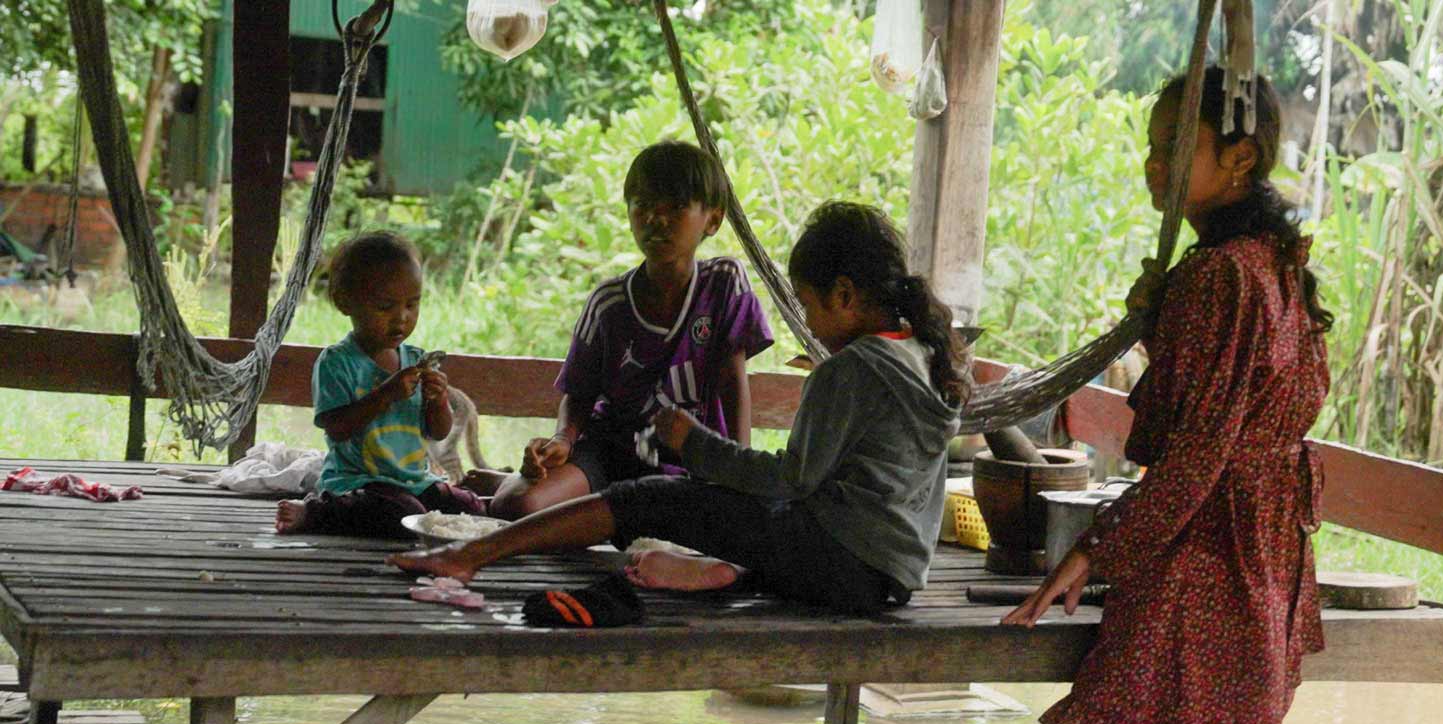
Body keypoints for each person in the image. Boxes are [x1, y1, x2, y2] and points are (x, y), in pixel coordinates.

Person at [974, 69, 1332, 724]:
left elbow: (1200, 445)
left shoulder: (1222, 275)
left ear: (1238, 159)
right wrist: (1161, 307)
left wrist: (1098, 548)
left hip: (1202, 562)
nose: (1152, 160)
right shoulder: (1276, 266)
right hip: (1264, 559)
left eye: (1175, 143)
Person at [389, 201, 967, 615]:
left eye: (810, 305)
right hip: (887, 578)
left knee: (649, 499)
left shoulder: (852, 370)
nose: (808, 323)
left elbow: (791, 481)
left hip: (841, 565)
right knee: (697, 507)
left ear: (844, 295)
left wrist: (696, 444)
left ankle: (470, 554)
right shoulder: (921, 354)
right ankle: (723, 568)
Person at [475, 140, 774, 518]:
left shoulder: (723, 284)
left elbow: (733, 381)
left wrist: (737, 468)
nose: (656, 219)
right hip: (610, 455)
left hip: (693, 460)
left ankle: (591, 510)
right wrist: (563, 440)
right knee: (515, 505)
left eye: (676, 207)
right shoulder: (608, 303)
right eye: (643, 205)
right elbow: (579, 394)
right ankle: (512, 485)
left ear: (713, 220)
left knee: (689, 520)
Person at [276, 231, 488, 538]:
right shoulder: (337, 362)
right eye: (385, 307)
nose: (401, 318)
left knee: (471, 508)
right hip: (359, 482)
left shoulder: (415, 360)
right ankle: (316, 512)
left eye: (412, 305)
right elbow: (336, 428)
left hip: (414, 480)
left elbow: (438, 431)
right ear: (345, 303)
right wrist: (385, 394)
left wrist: (438, 400)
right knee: (404, 514)